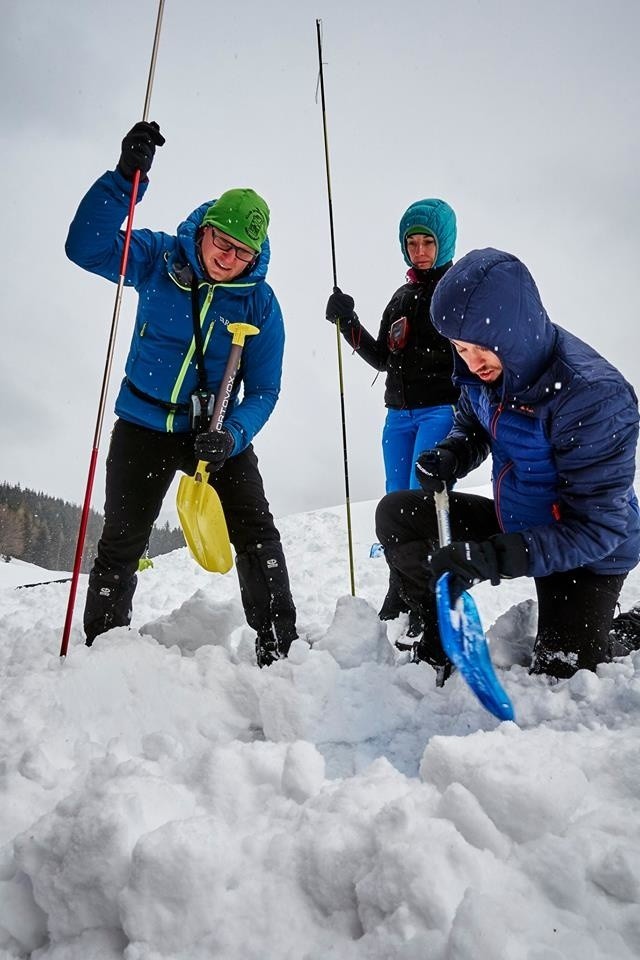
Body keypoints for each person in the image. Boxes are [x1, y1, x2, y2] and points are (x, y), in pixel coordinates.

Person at [65, 120, 297, 667]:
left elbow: (264, 389)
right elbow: (85, 246)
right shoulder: (157, 258)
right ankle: (102, 650)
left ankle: (281, 653)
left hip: (213, 433)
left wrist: (234, 432)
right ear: (204, 228)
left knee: (258, 533)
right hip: (143, 426)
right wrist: (127, 179)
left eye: (243, 251)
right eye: (222, 240)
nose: (228, 256)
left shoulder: (259, 304)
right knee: (122, 541)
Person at [375, 247, 640, 681]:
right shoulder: (484, 371)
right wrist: (454, 452)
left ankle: (627, 628)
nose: (470, 361)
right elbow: (474, 422)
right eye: (460, 348)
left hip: (584, 548)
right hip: (517, 514)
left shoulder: (594, 397)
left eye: (480, 348)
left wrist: (490, 558)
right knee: (397, 515)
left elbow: (599, 528)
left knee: (562, 673)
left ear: (513, 333)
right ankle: (441, 631)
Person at [325, 199, 459, 627]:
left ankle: (428, 598)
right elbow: (383, 356)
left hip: (439, 410)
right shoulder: (401, 297)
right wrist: (348, 324)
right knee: (395, 501)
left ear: (445, 243)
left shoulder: (457, 290)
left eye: (428, 242)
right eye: (412, 242)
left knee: (423, 501)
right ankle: (400, 585)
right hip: (397, 416)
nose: (420, 250)